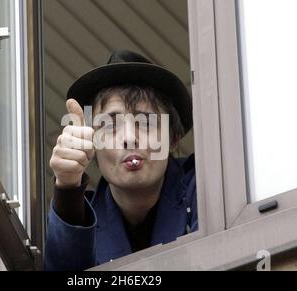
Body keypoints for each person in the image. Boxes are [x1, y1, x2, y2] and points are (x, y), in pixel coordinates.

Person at [45, 50, 197, 271]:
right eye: (109, 125)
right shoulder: (86, 217)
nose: (128, 138)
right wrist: (67, 187)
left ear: (173, 138)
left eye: (145, 122)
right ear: (92, 143)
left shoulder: (202, 187)